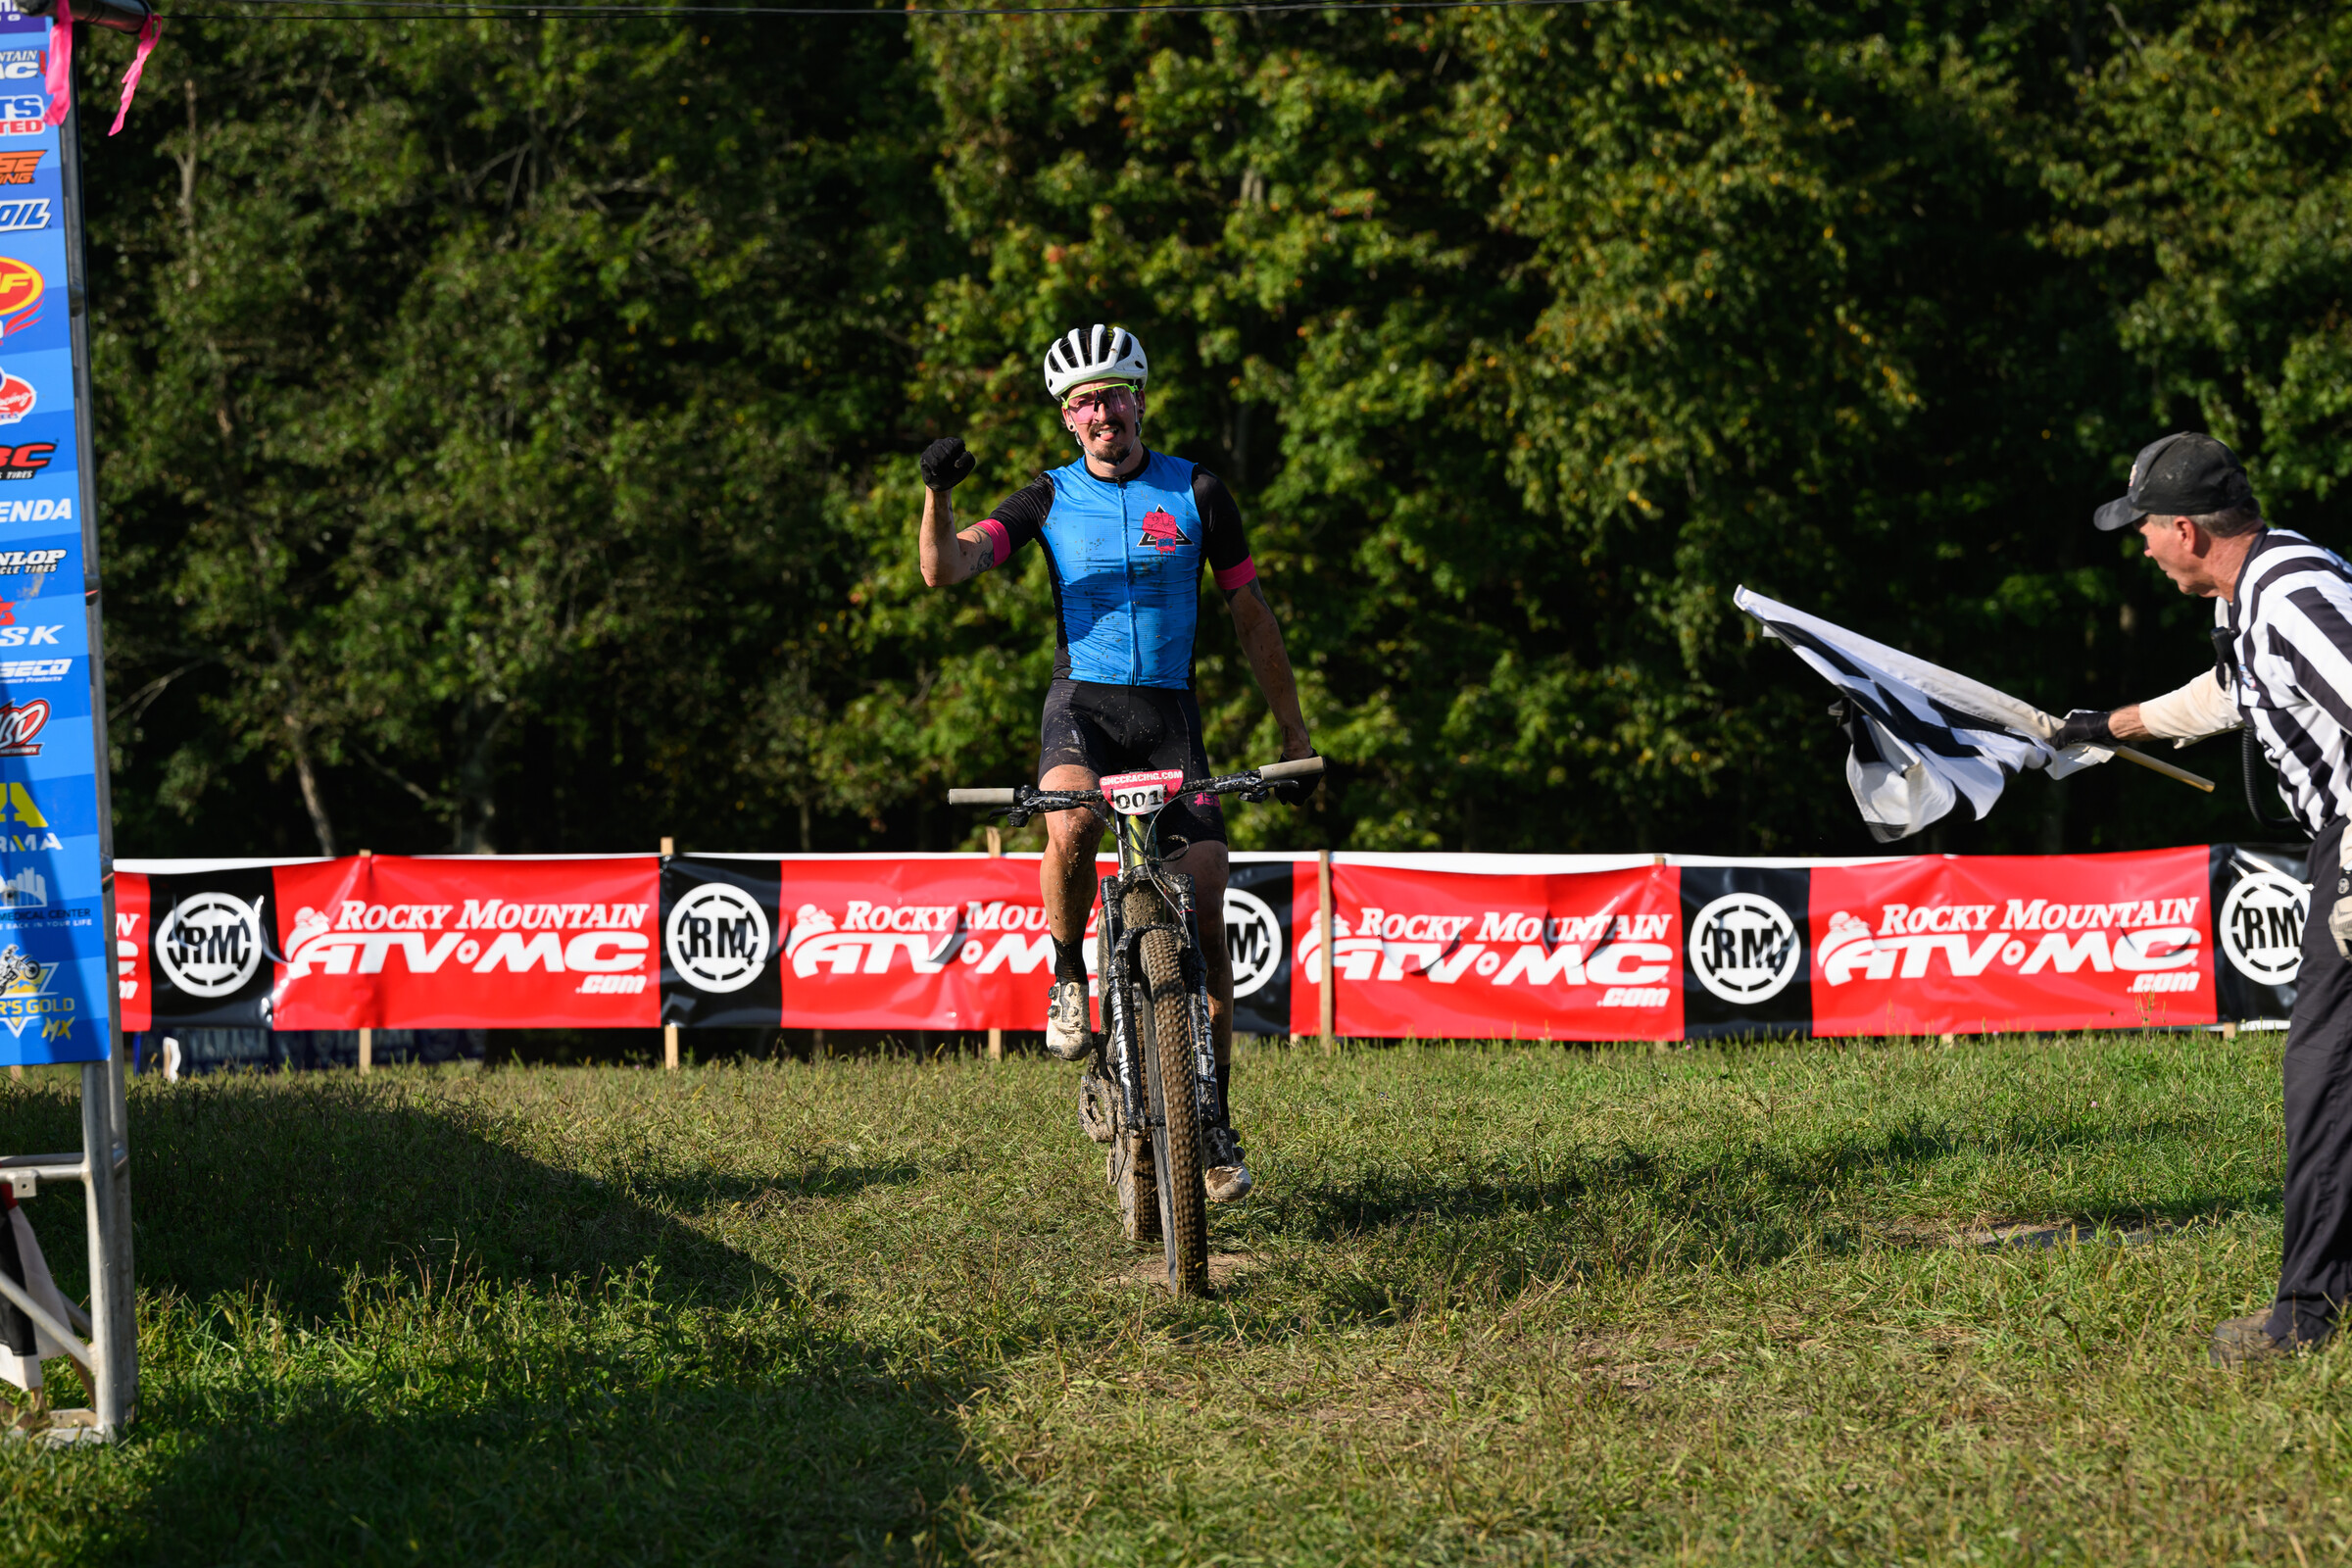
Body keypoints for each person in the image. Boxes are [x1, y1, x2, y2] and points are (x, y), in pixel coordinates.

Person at [914, 323, 1315, 1202]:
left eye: (1116, 395)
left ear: (1140, 400)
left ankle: (1210, 1124)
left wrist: (1293, 735)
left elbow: (1250, 613)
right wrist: (938, 495)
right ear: (1069, 418)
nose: (1104, 413)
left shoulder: (1198, 490)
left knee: (1206, 921)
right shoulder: (1047, 500)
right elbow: (947, 570)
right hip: (1083, 710)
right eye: (1084, 401)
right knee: (1070, 822)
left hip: (1171, 717)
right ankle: (1066, 978)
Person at [2053, 430, 2352, 1365]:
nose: (2139, 544)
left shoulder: (2294, 599)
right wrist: (2107, 726)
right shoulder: (2262, 588)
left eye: (2144, 527)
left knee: (2325, 1080)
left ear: (2185, 529)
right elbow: (2232, 692)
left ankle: (2306, 1318)